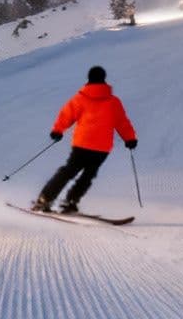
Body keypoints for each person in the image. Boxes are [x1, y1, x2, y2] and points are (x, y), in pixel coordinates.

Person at [33, 65, 138, 214]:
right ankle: (71, 201)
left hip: (82, 144)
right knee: (88, 175)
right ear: (104, 79)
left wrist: (57, 130)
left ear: (89, 79)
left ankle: (45, 199)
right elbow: (122, 122)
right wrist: (130, 139)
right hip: (102, 148)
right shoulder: (114, 102)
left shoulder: (80, 98)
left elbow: (66, 115)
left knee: (68, 171)